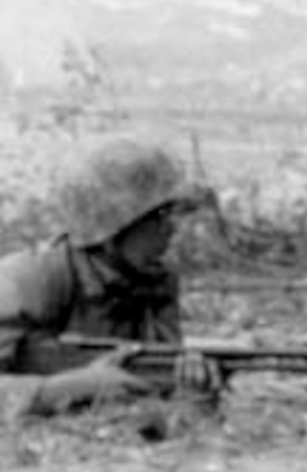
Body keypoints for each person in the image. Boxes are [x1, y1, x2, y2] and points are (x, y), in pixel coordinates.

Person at [0, 137, 217, 414]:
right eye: (160, 214)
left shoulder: (154, 283)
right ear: (112, 226)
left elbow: (147, 402)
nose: (172, 228)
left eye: (175, 213)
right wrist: (64, 389)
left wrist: (192, 400)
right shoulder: (27, 281)